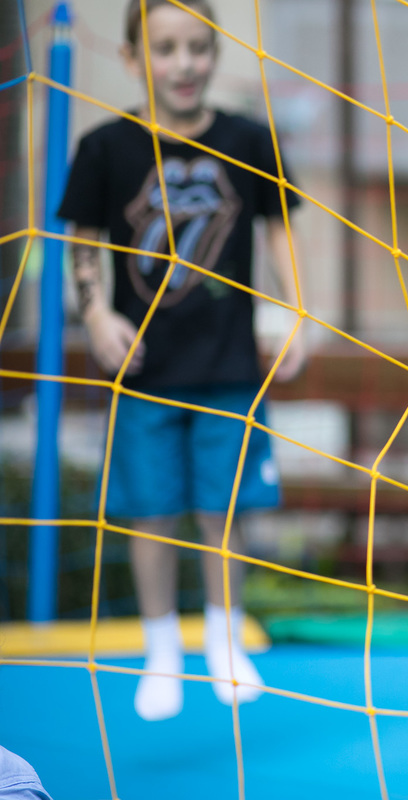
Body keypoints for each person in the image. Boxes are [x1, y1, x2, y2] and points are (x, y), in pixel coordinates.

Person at [57, 0, 305, 721]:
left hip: (228, 364)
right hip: (143, 369)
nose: (184, 63)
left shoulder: (248, 140)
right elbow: (83, 243)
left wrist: (296, 311)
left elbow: (279, 226)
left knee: (221, 511)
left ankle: (223, 635)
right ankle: (162, 646)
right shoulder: (107, 147)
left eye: (198, 47)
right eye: (166, 49)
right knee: (152, 513)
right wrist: (96, 311)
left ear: (215, 52)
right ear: (137, 58)